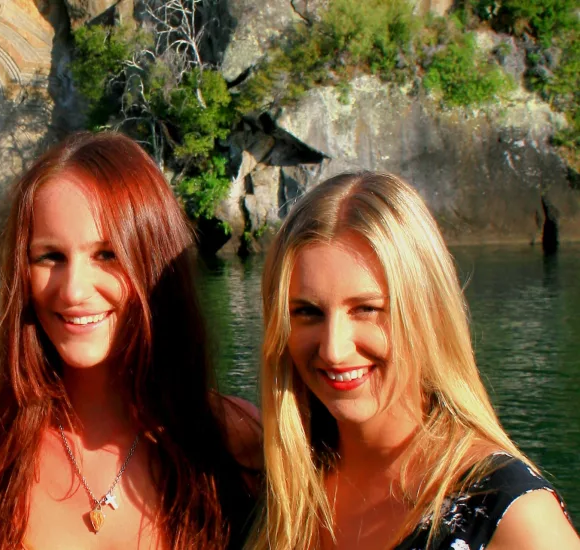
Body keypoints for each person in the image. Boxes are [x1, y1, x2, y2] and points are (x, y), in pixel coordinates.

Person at [0, 131, 262, 550]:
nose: (73, 290)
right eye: (50, 256)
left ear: (155, 261)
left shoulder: (236, 439)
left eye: (107, 254)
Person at [248, 171, 579, 549]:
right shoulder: (277, 488)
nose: (333, 350)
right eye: (307, 312)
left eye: (368, 309)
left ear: (430, 311)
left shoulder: (513, 517)